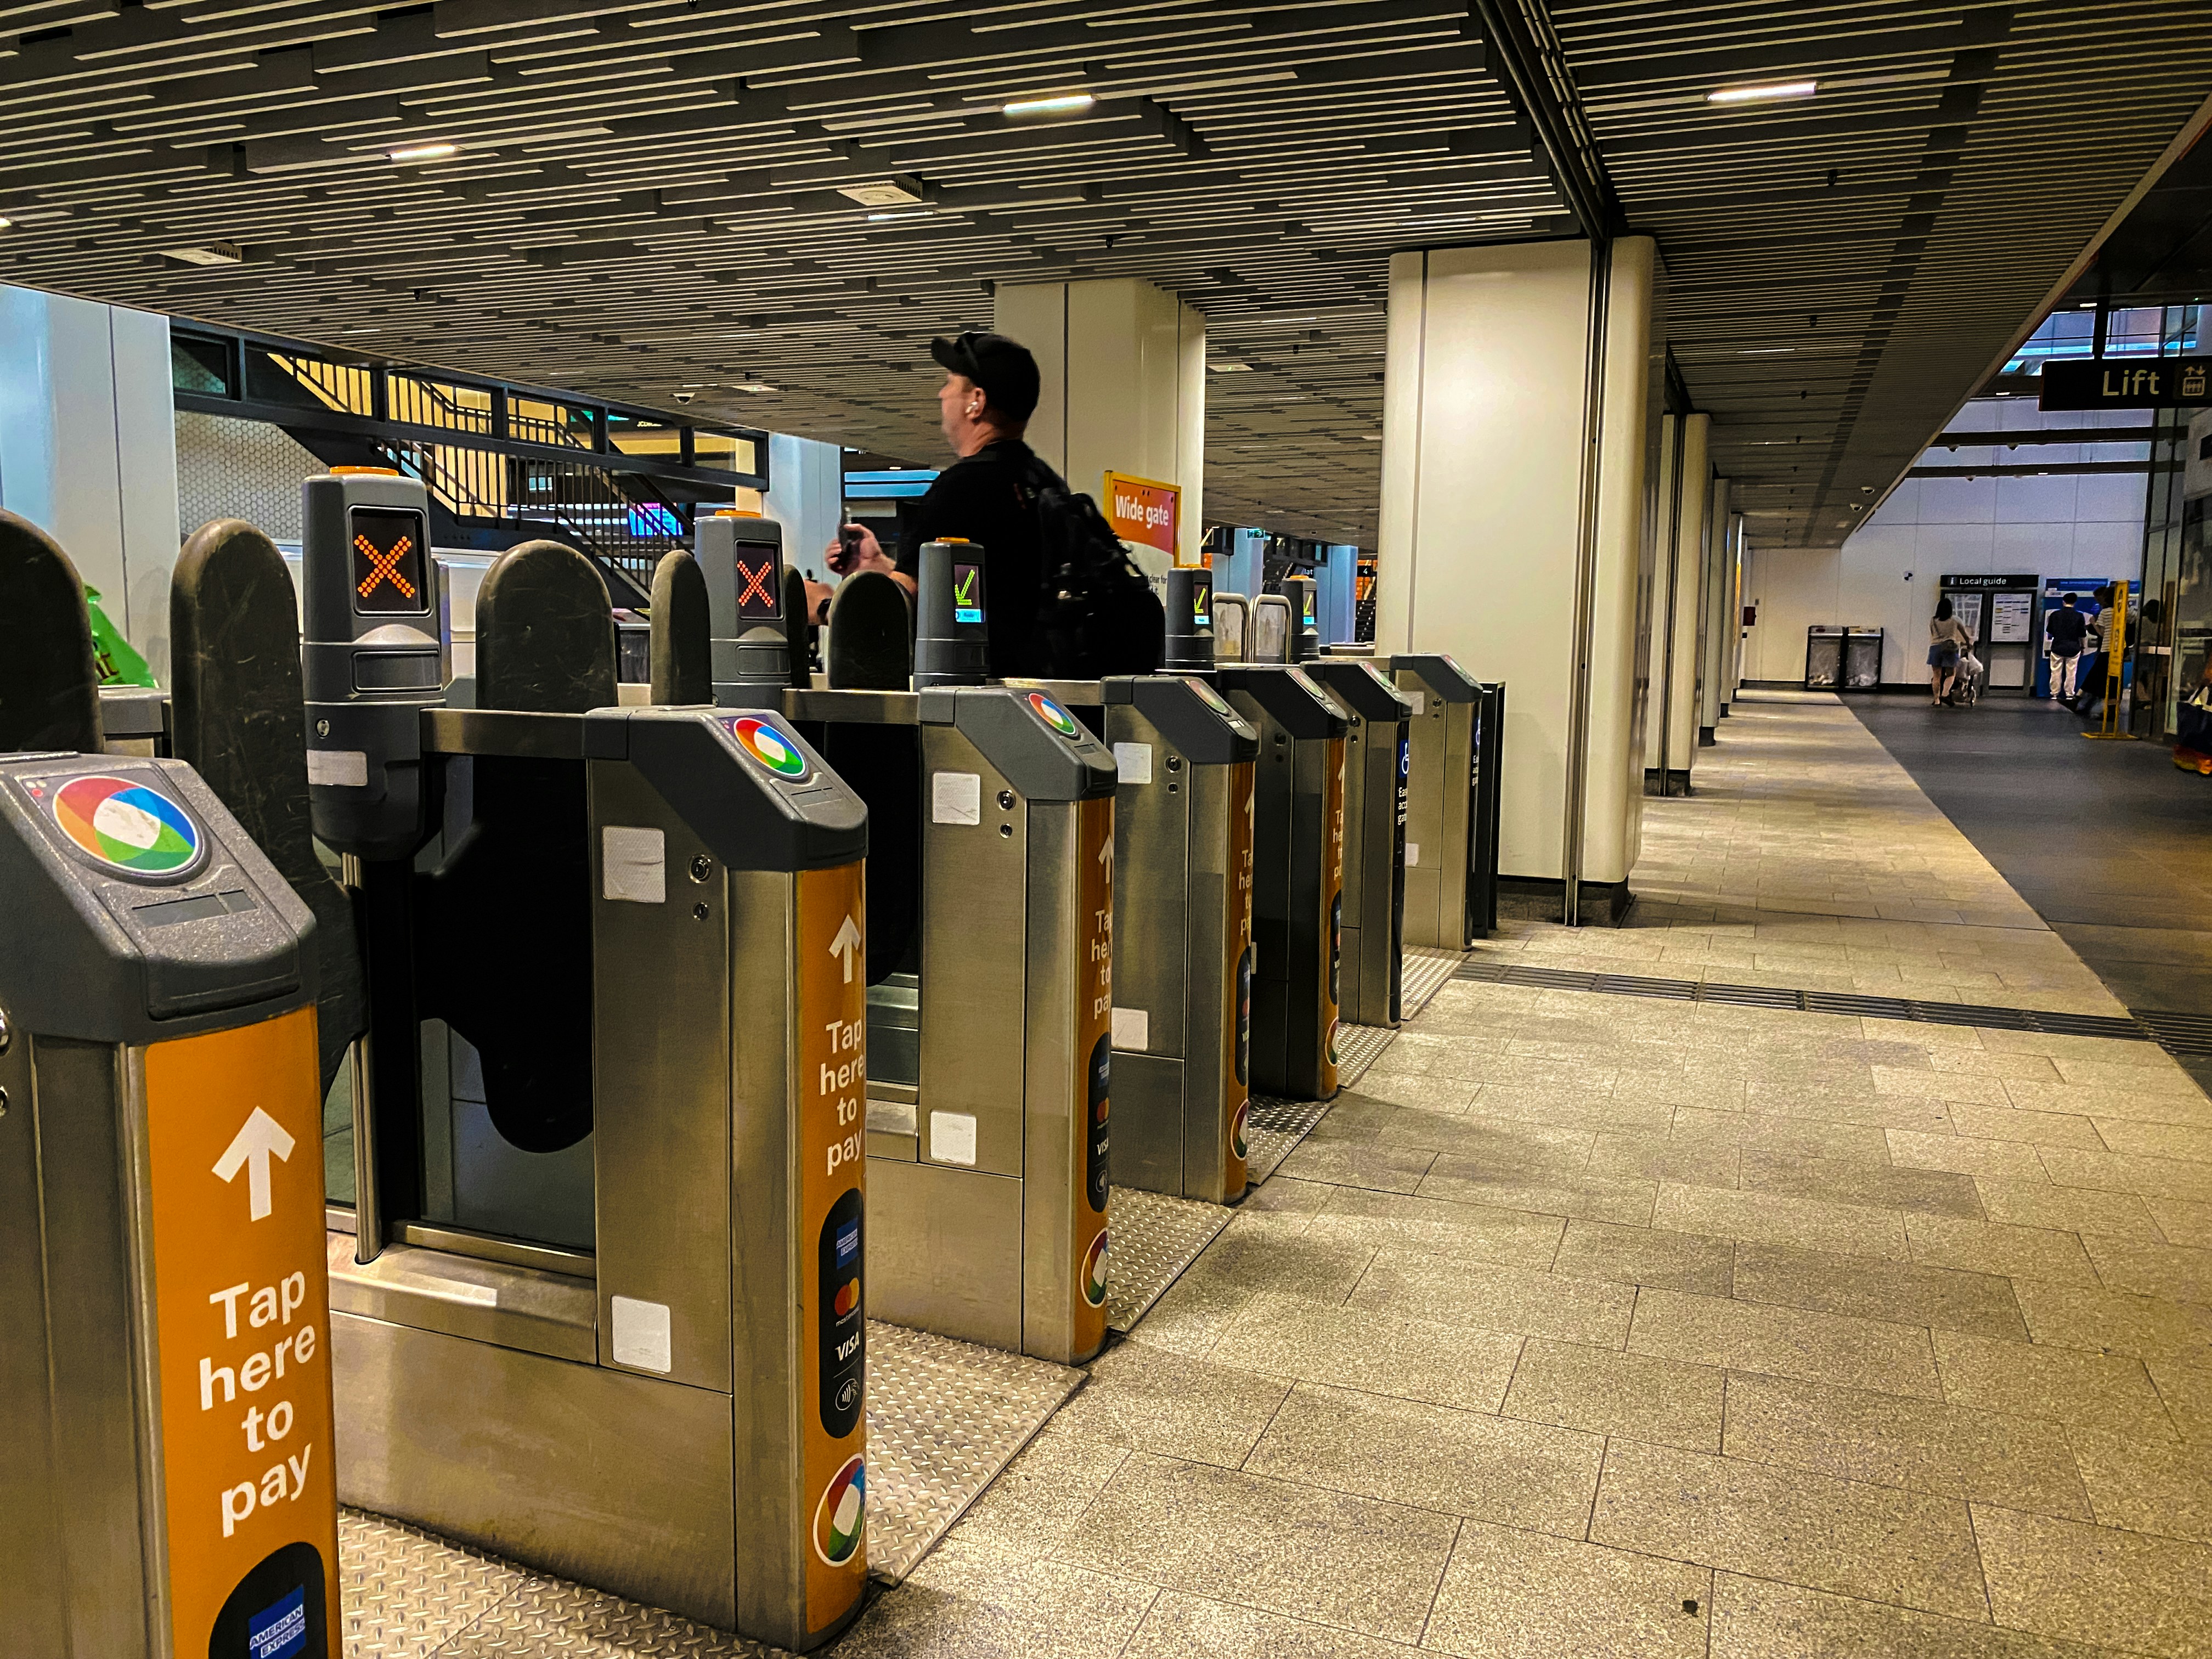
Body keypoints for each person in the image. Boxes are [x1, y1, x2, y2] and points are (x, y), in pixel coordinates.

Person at [820, 331, 1058, 679]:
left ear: (976, 401)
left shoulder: (963, 487)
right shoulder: (1043, 480)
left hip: (980, 690)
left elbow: (896, 612)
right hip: (1049, 686)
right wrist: (878, 566)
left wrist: (823, 606)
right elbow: (952, 590)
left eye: (950, 383)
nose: (941, 394)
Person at [1928, 596, 1973, 706]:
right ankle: (1944, 694)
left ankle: (1937, 700)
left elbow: (1933, 633)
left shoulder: (1933, 620)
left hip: (1935, 648)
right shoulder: (1955, 620)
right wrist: (1968, 643)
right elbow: (1964, 634)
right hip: (1950, 648)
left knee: (1936, 675)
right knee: (1951, 674)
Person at [2044, 592, 2087, 701]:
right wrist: (2082, 647)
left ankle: (2054, 694)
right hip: (2074, 647)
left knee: (2055, 671)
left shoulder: (2055, 615)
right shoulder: (2079, 616)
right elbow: (2082, 634)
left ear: (2063, 602)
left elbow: (2050, 631)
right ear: (2075, 602)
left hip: (2057, 646)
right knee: (2072, 672)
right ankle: (2069, 694)